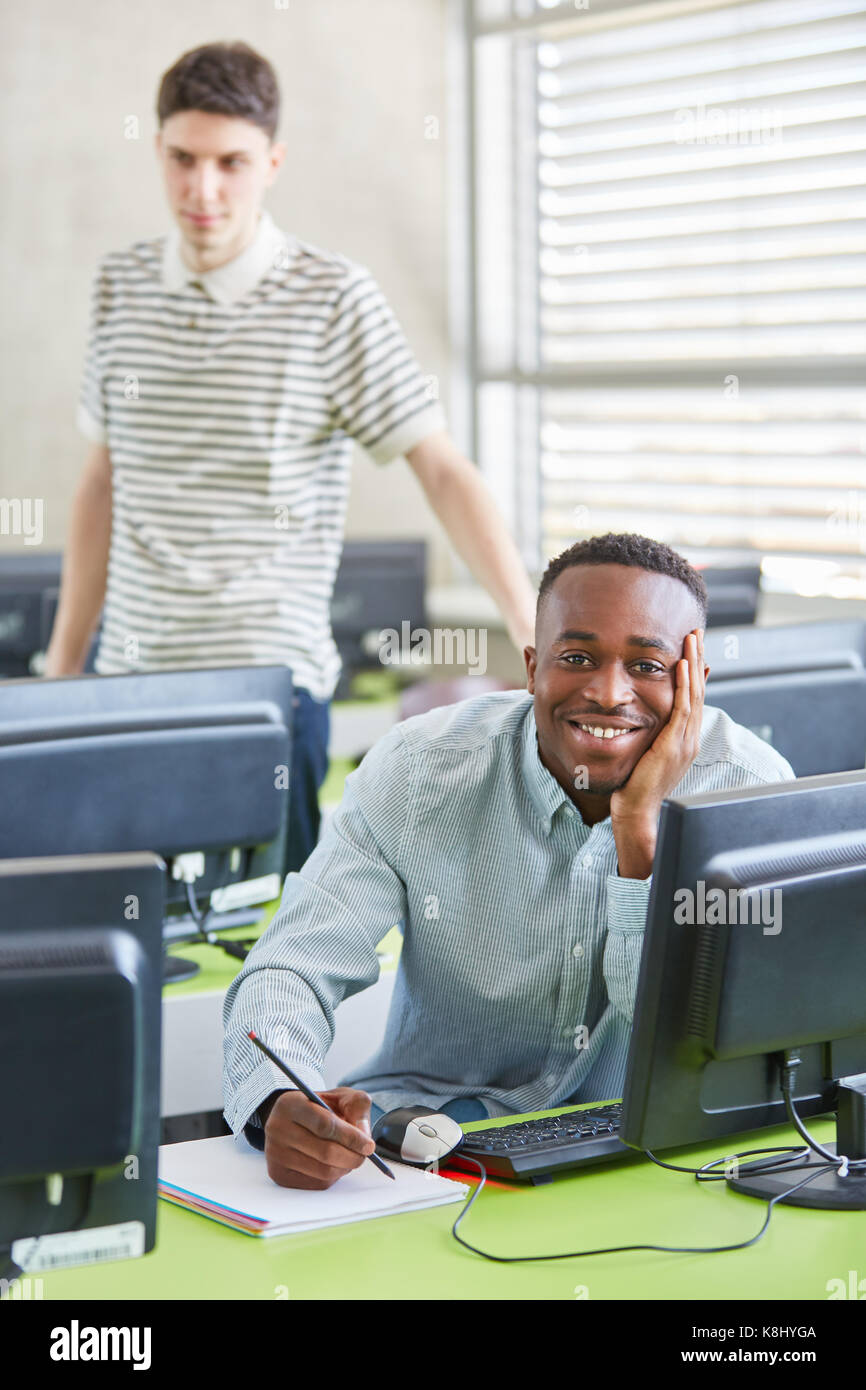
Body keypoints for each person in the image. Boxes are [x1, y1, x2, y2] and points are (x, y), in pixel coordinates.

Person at [44, 40, 536, 868]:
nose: (204, 189)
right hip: (127, 681)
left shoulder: (333, 296)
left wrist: (531, 626)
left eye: (231, 163)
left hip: (269, 690)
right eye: (183, 159)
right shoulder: (119, 284)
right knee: (126, 948)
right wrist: (63, 666)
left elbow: (442, 468)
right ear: (158, 151)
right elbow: (101, 483)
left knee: (276, 960)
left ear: (272, 162)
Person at [222, 532, 796, 1190]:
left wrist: (638, 833)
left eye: (648, 665)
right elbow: (292, 966)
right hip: (426, 1152)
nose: (609, 692)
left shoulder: (748, 788)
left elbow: (701, 1043)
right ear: (532, 668)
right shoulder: (421, 769)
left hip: (647, 1162)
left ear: (694, 683)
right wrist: (276, 1101)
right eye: (577, 655)